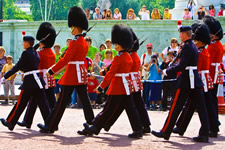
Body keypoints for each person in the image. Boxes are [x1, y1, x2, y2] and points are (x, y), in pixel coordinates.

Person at [78, 24, 143, 138]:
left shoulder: (119, 58)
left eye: (117, 44)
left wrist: (100, 87)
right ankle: (138, 129)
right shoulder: (127, 56)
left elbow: (110, 74)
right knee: (131, 108)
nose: (115, 46)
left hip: (118, 87)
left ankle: (94, 127)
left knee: (108, 109)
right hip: (126, 87)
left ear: (122, 44)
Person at [37, 6, 94, 133]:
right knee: (85, 100)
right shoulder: (83, 41)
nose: (71, 29)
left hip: (73, 73)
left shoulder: (75, 42)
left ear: (75, 26)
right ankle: (92, 123)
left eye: (72, 27)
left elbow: (65, 60)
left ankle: (51, 125)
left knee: (61, 101)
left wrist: (52, 70)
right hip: (81, 73)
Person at [151, 26, 209, 143]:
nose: (179, 36)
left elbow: (182, 65)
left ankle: (166, 131)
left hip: (186, 80)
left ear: (185, 34)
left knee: (175, 107)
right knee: (201, 107)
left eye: (181, 34)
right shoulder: (190, 46)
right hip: (193, 80)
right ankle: (204, 133)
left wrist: (167, 71)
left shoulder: (188, 47)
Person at [172, 23, 219, 138]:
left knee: (202, 105)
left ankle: (211, 127)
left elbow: (194, 66)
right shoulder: (203, 51)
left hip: (198, 79)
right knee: (193, 105)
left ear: (200, 41)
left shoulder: (201, 52)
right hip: (201, 79)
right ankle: (182, 126)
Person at [0, 36, 51, 131]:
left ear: (27, 43)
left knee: (20, 103)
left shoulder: (26, 53)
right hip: (37, 81)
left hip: (30, 82)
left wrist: (5, 77)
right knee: (43, 104)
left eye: (24, 42)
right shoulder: (35, 53)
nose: (23, 44)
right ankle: (49, 124)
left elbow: (17, 66)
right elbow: (27, 67)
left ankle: (10, 122)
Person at [17, 22, 57, 129]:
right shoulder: (51, 53)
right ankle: (28, 120)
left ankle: (47, 122)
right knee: (45, 101)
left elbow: (33, 65)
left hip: (39, 78)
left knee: (36, 101)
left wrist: (32, 51)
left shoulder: (39, 53)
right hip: (49, 78)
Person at [204, 15, 224, 129]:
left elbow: (208, 62)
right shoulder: (218, 44)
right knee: (213, 99)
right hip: (215, 74)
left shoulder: (212, 46)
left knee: (209, 99)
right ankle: (214, 121)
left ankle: (213, 122)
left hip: (210, 74)